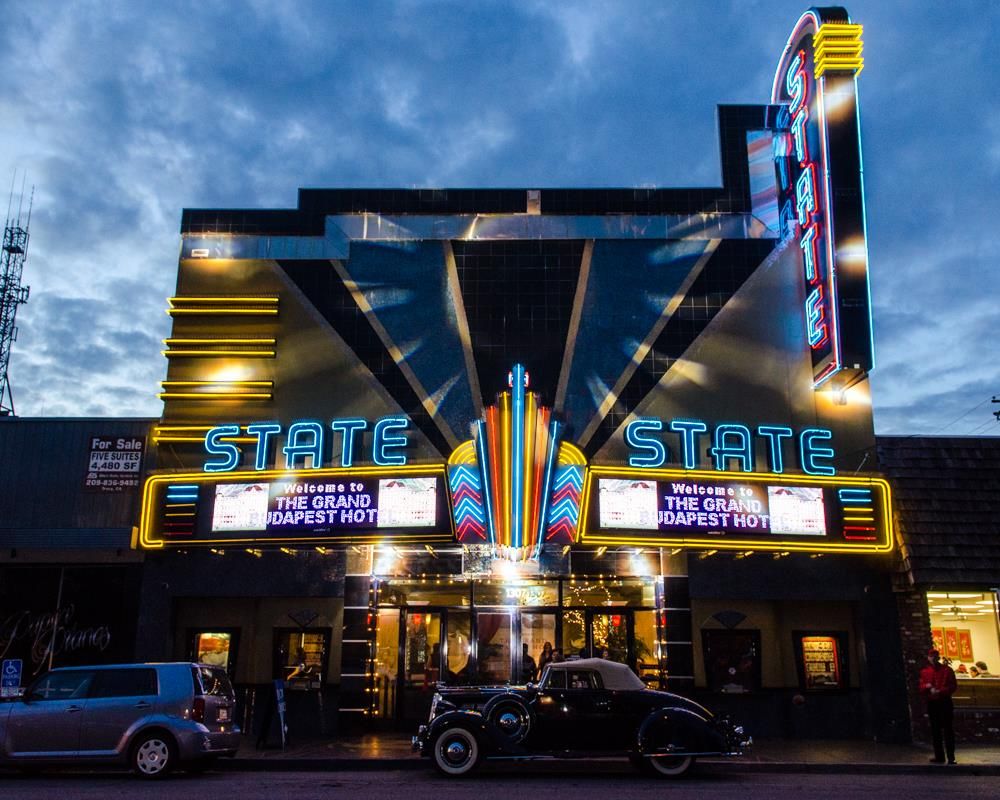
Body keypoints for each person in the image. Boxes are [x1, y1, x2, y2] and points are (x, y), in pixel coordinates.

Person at [919, 648, 957, 764]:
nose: (933, 659)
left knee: (948, 729)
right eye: (931, 657)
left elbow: (953, 686)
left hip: (944, 701)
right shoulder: (925, 672)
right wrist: (927, 687)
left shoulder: (947, 670)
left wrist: (940, 691)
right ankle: (940, 756)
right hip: (933, 702)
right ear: (928, 658)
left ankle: (950, 756)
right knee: (936, 730)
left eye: (935, 656)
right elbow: (921, 688)